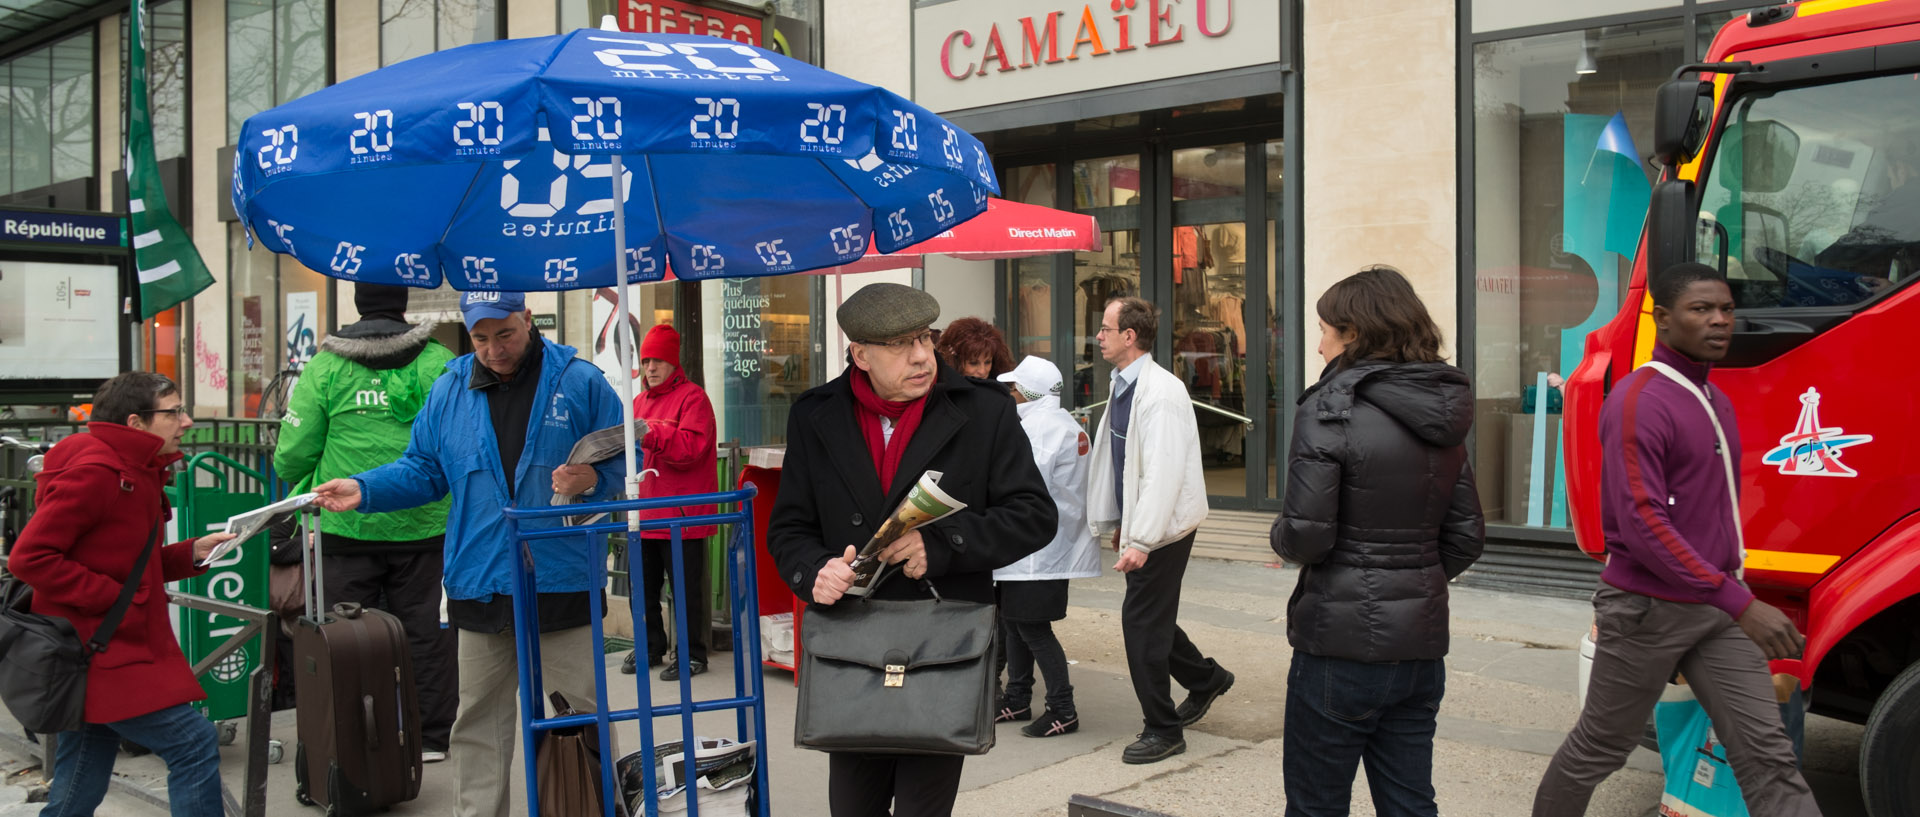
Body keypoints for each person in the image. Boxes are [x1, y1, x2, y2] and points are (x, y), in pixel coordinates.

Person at [310, 291, 627, 817]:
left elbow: (624, 469)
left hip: (561, 577)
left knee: (579, 717)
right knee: (477, 723)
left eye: (505, 334)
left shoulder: (581, 382)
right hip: (479, 578)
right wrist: (364, 488)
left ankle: (590, 809)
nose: (494, 349)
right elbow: (424, 470)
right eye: (481, 338)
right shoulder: (451, 386)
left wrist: (592, 478)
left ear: (529, 320)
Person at [1531, 263, 1821, 817]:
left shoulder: (1714, 399)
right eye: (1701, 309)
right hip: (1647, 611)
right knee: (1601, 748)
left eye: (1727, 310)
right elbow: (1641, 526)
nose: (1719, 321)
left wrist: (1731, 594)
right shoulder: (1640, 400)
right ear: (1662, 319)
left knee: (1768, 758)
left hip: (1714, 608)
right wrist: (1741, 601)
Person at [766, 283, 1056, 817]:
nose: (922, 355)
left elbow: (1034, 516)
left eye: (925, 337)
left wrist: (944, 543)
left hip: (941, 642)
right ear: (861, 355)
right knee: (853, 807)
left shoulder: (986, 411)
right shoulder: (814, 414)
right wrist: (814, 572)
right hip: (849, 645)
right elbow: (788, 529)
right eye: (900, 344)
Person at [1271, 265, 1485, 816]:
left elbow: (1306, 536)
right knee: (1410, 803)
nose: (1318, 346)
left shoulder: (1330, 407)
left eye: (1324, 331)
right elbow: (1465, 536)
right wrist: (1411, 579)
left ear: (1355, 334)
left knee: (1317, 805)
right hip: (1418, 645)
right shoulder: (1442, 407)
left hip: (1339, 647)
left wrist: (1281, 537)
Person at [9, 372, 238, 817]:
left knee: (87, 756)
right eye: (174, 412)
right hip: (99, 647)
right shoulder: (101, 472)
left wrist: (191, 552)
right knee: (193, 742)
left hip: (108, 643)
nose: (186, 421)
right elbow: (29, 557)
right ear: (136, 423)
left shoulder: (135, 468)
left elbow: (128, 560)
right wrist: (112, 597)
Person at [272, 282, 458, 762]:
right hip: (425, 525)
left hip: (343, 523)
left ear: (357, 305)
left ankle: (352, 739)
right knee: (427, 634)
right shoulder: (437, 360)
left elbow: (292, 457)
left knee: (345, 638)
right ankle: (433, 737)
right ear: (403, 304)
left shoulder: (326, 365)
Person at [1085, 295, 1233, 765]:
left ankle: (1163, 728)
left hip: (1165, 528)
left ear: (1129, 336)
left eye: (1106, 329)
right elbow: (1127, 462)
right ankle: (1206, 679)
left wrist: (1142, 538)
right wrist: (1123, 524)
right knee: (1153, 617)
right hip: (1148, 523)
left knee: (1141, 625)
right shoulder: (1124, 383)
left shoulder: (1161, 392)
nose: (1099, 336)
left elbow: (1164, 473)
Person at [992, 355, 1101, 738]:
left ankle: (1063, 708)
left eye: (1014, 388)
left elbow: (1022, 484)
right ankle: (1018, 698)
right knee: (1014, 622)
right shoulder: (1064, 423)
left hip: (1037, 550)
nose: (1010, 394)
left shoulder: (1038, 429)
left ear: (1029, 393)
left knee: (1032, 628)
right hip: (1042, 546)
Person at [618, 323, 718, 681]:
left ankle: (693, 655)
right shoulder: (638, 402)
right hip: (643, 513)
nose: (650, 368)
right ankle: (649, 647)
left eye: (658, 360)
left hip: (682, 515)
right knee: (641, 590)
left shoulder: (694, 399)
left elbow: (690, 451)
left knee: (686, 592)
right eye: (646, 361)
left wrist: (650, 432)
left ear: (675, 363)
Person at [935, 317, 1015, 380]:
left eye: (988, 362)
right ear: (954, 361)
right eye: (973, 363)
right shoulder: (941, 395)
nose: (982, 371)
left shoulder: (1002, 393)